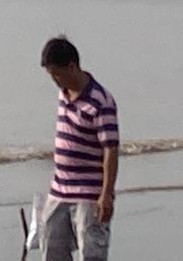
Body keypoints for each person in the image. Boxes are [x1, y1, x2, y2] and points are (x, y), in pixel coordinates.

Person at [38, 35, 118, 261]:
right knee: (51, 251)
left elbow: (111, 149)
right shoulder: (63, 95)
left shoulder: (101, 102)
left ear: (72, 67)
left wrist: (107, 195)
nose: (54, 79)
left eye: (56, 74)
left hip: (89, 194)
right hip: (59, 190)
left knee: (91, 254)